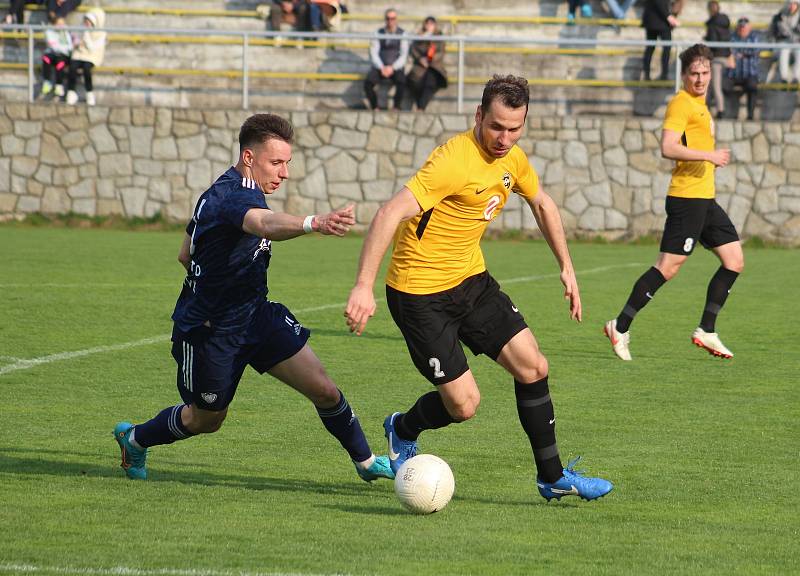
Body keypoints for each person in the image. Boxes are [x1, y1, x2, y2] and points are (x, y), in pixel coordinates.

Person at [344, 75, 613, 502]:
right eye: (496, 127)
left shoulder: (514, 160)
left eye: (514, 128)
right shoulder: (452, 161)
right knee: (464, 406)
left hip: (471, 281)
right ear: (478, 116)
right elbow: (388, 213)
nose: (504, 138)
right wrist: (363, 286)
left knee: (533, 367)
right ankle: (402, 427)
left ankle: (552, 477)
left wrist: (567, 267)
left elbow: (541, 202)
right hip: (419, 293)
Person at [113, 113, 394, 485]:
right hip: (212, 331)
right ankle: (135, 438)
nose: (285, 173)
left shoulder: (234, 190)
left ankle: (366, 461)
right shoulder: (231, 196)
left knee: (324, 389)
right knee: (206, 419)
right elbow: (264, 224)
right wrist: (315, 223)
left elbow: (186, 253)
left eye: (287, 163)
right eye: (276, 163)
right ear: (249, 157)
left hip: (256, 316)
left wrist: (214, 277)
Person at [604, 44, 743, 362]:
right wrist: (709, 155)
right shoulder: (681, 104)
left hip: (705, 199)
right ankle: (620, 326)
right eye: (694, 73)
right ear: (683, 75)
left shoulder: (701, 105)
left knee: (734, 260)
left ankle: (706, 329)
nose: (700, 78)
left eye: (705, 72)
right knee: (667, 267)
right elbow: (667, 146)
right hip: (687, 199)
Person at [363, 8, 409, 110]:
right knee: (368, 83)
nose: (390, 21)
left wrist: (392, 68)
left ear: (396, 19)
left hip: (395, 67)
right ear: (385, 19)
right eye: (388, 18)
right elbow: (373, 53)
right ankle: (375, 107)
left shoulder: (403, 34)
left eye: (393, 18)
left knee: (402, 81)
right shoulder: (378, 33)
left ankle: (396, 107)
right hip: (380, 66)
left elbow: (404, 55)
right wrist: (382, 67)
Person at [66, 7, 106, 106]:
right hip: (79, 54)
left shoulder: (101, 33)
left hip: (92, 56)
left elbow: (92, 48)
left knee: (86, 68)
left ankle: (89, 93)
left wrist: (86, 35)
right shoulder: (81, 29)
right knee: (72, 67)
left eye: (89, 21)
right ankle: (71, 92)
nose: (87, 23)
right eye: (86, 20)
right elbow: (75, 42)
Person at [406, 16, 448, 111]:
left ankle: (420, 107)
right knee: (411, 80)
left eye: (431, 23)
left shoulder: (439, 37)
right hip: (420, 66)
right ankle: (420, 106)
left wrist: (430, 60)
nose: (429, 25)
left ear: (435, 25)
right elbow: (413, 49)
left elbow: (441, 52)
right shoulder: (420, 36)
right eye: (427, 23)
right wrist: (420, 59)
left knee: (430, 81)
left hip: (435, 66)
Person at [727, 17, 761, 120]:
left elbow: (755, 51)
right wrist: (741, 54)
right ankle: (729, 115)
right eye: (740, 27)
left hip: (749, 74)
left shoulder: (754, 37)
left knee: (752, 87)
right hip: (734, 74)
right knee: (723, 85)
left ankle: (750, 115)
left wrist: (741, 54)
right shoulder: (732, 37)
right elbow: (729, 51)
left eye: (744, 27)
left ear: (749, 27)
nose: (742, 29)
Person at [704, 1, 732, 118]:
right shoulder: (725, 22)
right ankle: (711, 108)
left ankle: (721, 110)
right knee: (712, 85)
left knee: (715, 86)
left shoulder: (713, 24)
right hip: (725, 56)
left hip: (716, 58)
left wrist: (706, 39)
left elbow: (713, 43)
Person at [641, 0, 680, 80]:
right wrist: (669, 17)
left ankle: (652, 76)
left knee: (651, 48)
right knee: (662, 48)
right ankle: (661, 76)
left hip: (653, 21)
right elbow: (659, 3)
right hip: (660, 22)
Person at [41, 15, 72, 99]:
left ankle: (59, 85)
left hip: (63, 55)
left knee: (60, 63)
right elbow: (52, 45)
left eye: (62, 23)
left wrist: (59, 47)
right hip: (53, 54)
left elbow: (69, 47)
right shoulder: (50, 32)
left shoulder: (65, 32)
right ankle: (47, 82)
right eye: (59, 23)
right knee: (46, 58)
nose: (61, 26)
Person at [769, 0, 800, 83]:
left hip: (797, 43)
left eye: (794, 4)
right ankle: (784, 78)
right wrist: (772, 45)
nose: (791, 6)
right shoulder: (778, 17)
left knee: (799, 52)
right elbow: (771, 33)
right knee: (784, 51)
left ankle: (796, 77)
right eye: (790, 4)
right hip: (782, 42)